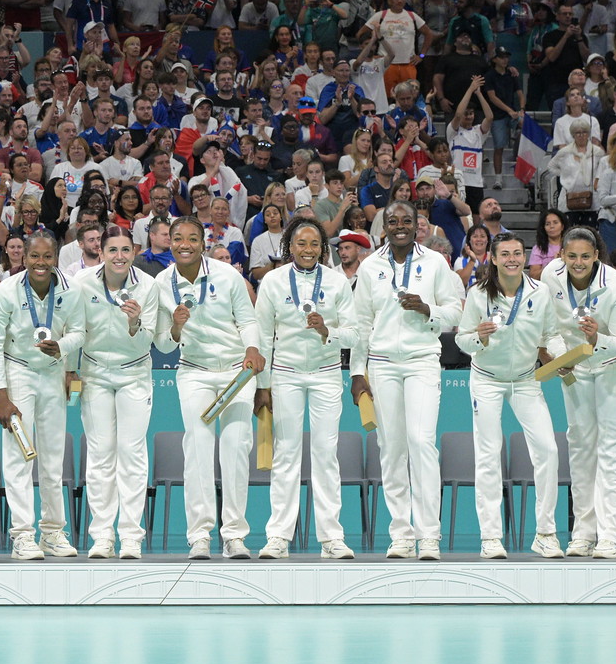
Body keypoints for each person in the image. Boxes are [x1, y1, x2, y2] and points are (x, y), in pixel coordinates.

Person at [350, 202, 463, 559]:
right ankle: (401, 532)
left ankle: (429, 534)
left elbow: (457, 309)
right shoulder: (370, 266)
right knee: (392, 447)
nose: (400, 226)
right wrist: (357, 372)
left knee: (422, 442)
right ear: (384, 226)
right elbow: (360, 324)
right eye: (393, 221)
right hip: (382, 364)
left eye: (407, 221)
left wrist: (428, 310)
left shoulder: (434, 263)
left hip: (421, 361)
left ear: (418, 226)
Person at [155, 215, 263, 559]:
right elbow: (164, 344)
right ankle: (199, 535)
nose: (184, 244)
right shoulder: (160, 283)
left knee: (234, 446)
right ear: (169, 242)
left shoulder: (227, 275)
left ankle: (234, 535)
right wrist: (174, 327)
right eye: (178, 238)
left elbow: (247, 319)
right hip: (194, 372)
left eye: (192, 238)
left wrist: (251, 348)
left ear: (202, 243)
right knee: (198, 446)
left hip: (235, 371)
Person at [253, 216, 358, 559]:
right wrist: (262, 385)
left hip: (327, 374)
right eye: (301, 243)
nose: (308, 250)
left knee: (326, 455)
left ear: (323, 248)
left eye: (315, 244)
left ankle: (332, 539)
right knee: (286, 454)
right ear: (289, 246)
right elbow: (263, 336)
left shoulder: (337, 282)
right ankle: (278, 537)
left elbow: (356, 334)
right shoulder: (272, 281)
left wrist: (330, 332)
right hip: (285, 374)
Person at [454, 232, 561, 559]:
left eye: (518, 252)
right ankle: (490, 538)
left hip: (526, 379)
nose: (512, 258)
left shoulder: (540, 292)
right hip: (486, 379)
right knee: (488, 455)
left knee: (548, 450)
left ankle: (545, 533)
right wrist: (480, 338)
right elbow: (462, 340)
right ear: (495, 259)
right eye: (506, 254)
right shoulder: (478, 294)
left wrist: (559, 356)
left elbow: (551, 334)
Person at [538, 227, 616, 558]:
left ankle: (610, 534)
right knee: (581, 450)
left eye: (585, 256)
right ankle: (583, 531)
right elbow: (550, 329)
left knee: (614, 452)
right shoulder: (550, 278)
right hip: (576, 371)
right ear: (561, 256)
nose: (578, 263)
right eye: (572, 256)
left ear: (597, 255)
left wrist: (599, 340)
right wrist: (558, 357)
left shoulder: (615, 286)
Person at [0, 231, 86, 560]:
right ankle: (23, 536)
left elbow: (79, 332)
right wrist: (1, 394)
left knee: (53, 456)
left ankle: (53, 532)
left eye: (47, 257)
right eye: (34, 257)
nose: (40, 263)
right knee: (18, 456)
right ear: (23, 258)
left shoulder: (71, 291)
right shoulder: (7, 291)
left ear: (56, 258)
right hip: (18, 372)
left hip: (52, 372)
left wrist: (64, 349)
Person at [72, 228, 159, 558]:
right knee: (100, 455)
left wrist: (135, 323)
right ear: (101, 252)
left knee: (132, 454)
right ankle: (102, 536)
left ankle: (131, 537)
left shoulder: (147, 287)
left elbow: (148, 341)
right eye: (113, 250)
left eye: (125, 250)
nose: (119, 256)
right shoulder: (81, 282)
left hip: (134, 373)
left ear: (134, 251)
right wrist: (69, 368)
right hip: (94, 373)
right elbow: (72, 328)